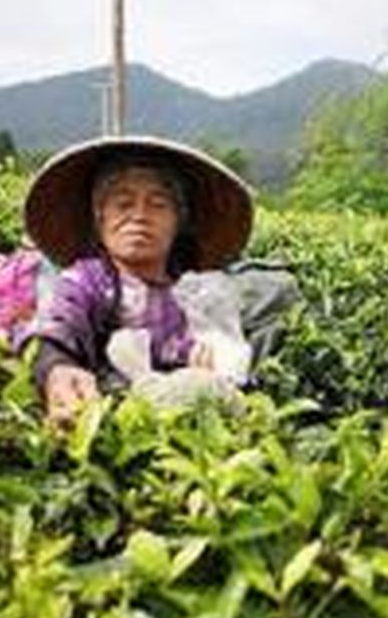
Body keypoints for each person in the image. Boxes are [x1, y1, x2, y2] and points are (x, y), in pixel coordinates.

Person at [23, 136, 254, 424]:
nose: (140, 216)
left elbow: (230, 359)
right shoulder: (87, 282)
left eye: (158, 205)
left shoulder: (197, 293)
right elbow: (58, 328)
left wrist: (211, 379)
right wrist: (56, 368)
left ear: (178, 221)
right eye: (123, 204)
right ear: (100, 218)